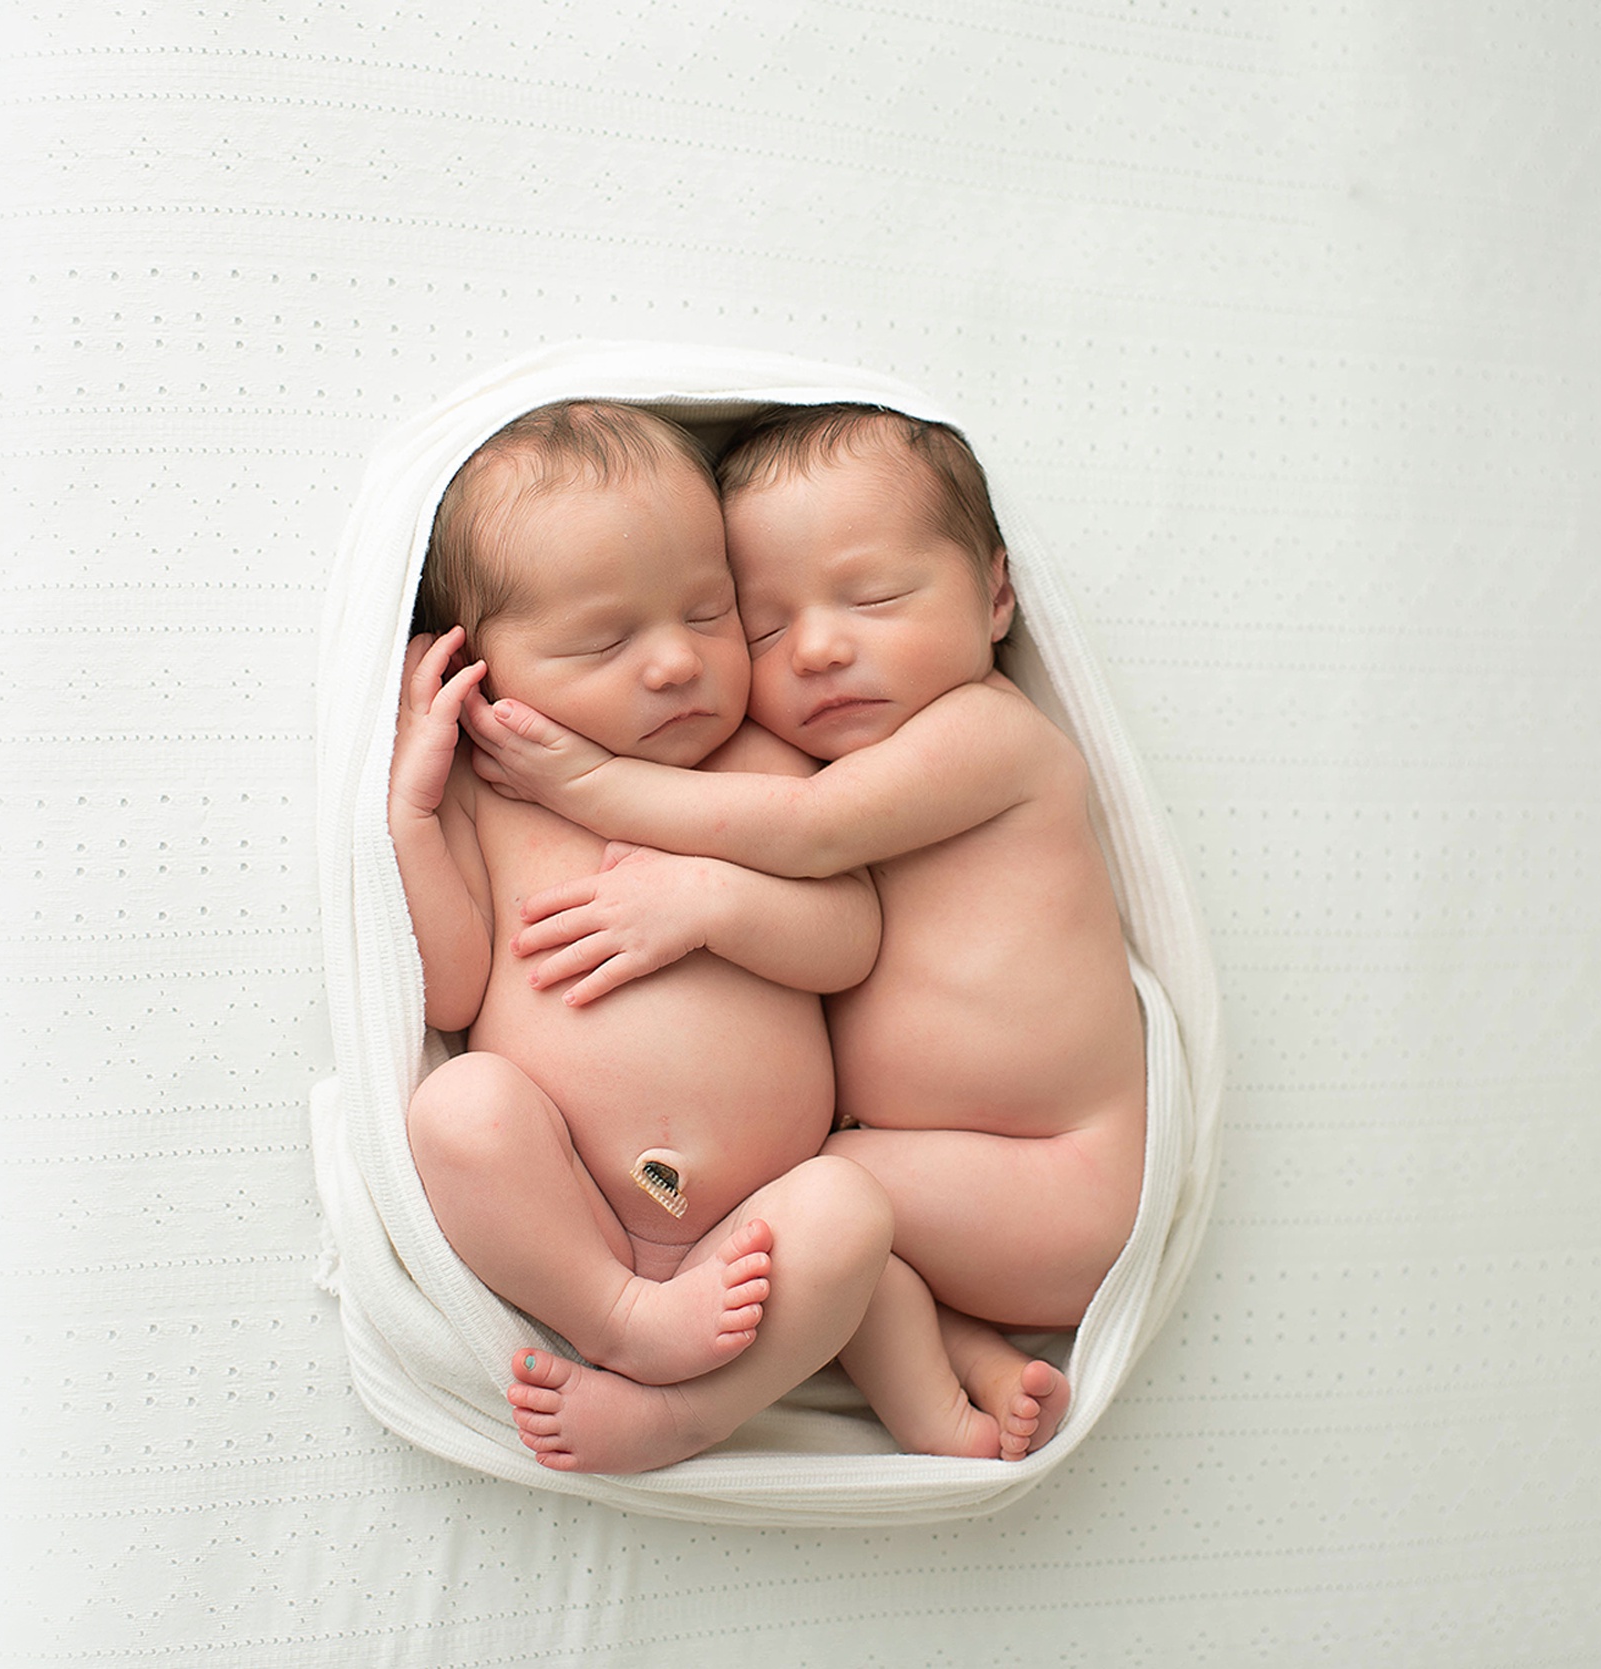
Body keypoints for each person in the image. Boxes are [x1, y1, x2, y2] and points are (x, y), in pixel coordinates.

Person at [467, 404, 1145, 1462]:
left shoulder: (988, 730)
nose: (820, 649)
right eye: (766, 626)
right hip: (947, 1175)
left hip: (1056, 1175)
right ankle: (954, 1371)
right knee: (824, 1207)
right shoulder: (802, 753)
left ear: (997, 594)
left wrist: (591, 782)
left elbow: (814, 833)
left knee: (820, 1186)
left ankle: (684, 1412)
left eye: (874, 597)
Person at [389, 400, 895, 1474]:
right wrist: (415, 822)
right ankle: (617, 1315)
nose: (673, 665)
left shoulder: (757, 770)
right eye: (605, 640)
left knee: (851, 1210)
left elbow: (849, 939)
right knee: (457, 1109)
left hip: (755, 1224)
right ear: (477, 664)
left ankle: (680, 1417)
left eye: (708, 615)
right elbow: (446, 994)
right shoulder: (493, 799)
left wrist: (711, 901)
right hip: (571, 1207)